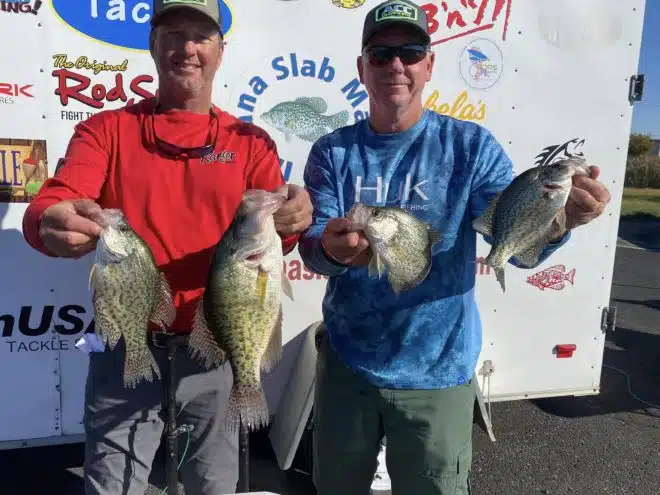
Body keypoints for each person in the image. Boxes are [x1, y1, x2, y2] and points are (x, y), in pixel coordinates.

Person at [298, 1, 611, 494]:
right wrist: (334, 252)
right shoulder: (333, 152)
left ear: (428, 63)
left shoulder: (471, 147)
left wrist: (558, 222)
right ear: (362, 68)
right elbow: (313, 249)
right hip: (347, 364)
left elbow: (515, 244)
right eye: (380, 54)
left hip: (438, 370)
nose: (396, 65)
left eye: (411, 51)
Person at [21, 1, 313, 494]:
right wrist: (47, 220)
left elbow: (280, 228)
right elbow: (54, 201)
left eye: (201, 36)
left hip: (217, 346)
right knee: (113, 484)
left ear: (221, 51)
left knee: (214, 484)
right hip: (126, 346)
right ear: (153, 46)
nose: (188, 49)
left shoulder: (250, 143)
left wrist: (294, 215)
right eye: (173, 34)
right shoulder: (106, 131)